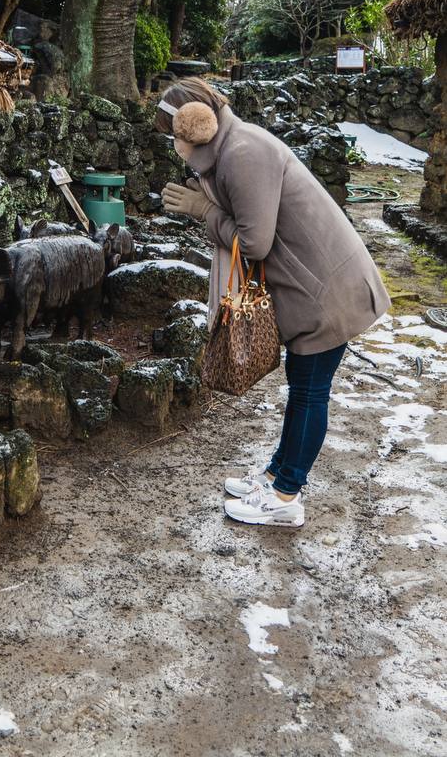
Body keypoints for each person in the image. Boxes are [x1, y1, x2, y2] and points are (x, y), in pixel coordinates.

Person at [157, 78, 389, 528]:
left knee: (309, 391)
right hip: (315, 286)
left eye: (172, 134)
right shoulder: (233, 147)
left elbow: (255, 242)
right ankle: (276, 475)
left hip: (325, 293)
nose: (173, 144)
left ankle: (285, 496)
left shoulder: (243, 153)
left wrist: (203, 211)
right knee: (302, 388)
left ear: (193, 125)